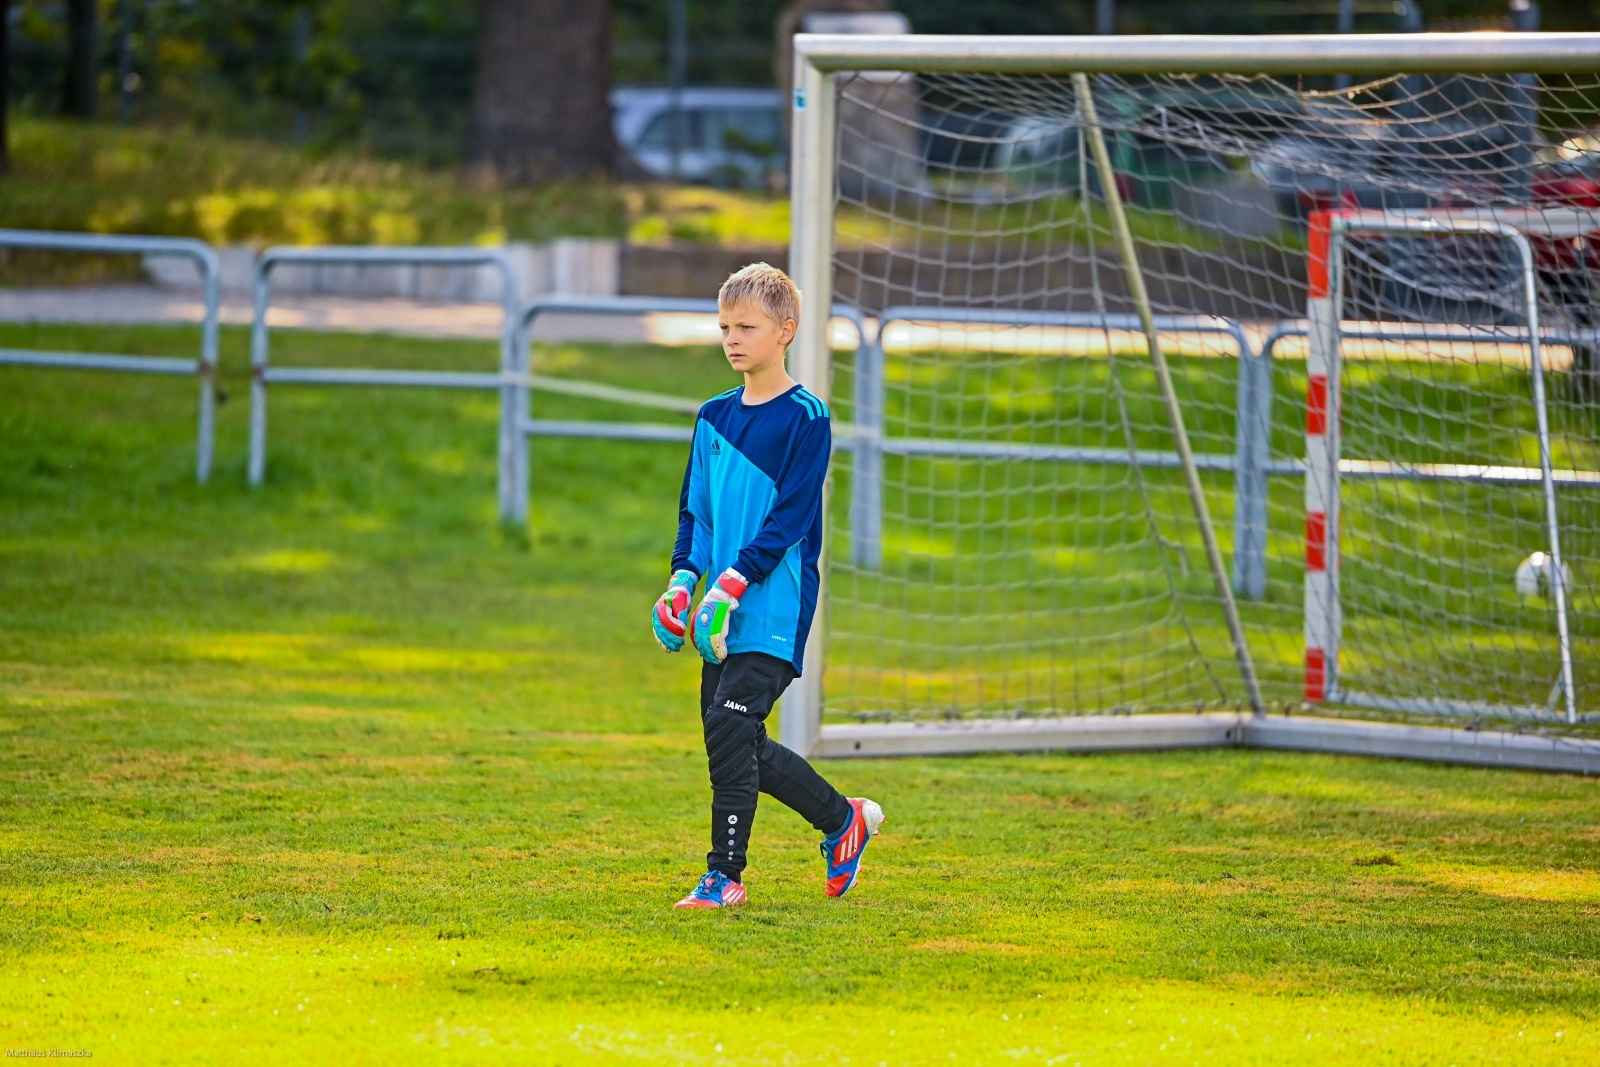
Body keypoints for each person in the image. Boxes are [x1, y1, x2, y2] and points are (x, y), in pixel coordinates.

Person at [651, 262, 884, 910]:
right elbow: (694, 512)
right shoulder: (712, 416)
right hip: (717, 610)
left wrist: (733, 581)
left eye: (746, 327)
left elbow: (790, 518)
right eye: (725, 326)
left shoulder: (806, 418)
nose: (732, 338)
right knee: (735, 737)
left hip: (772, 602)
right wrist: (681, 580)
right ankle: (844, 821)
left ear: (785, 330)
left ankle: (724, 875)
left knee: (730, 727)